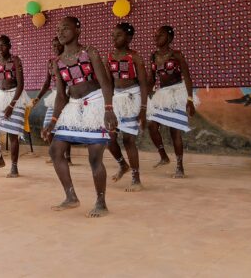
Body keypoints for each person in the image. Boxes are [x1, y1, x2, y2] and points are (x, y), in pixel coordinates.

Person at [41, 16, 117, 218]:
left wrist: (108, 109)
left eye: (65, 28)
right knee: (55, 151)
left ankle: (101, 202)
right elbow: (60, 95)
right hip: (73, 107)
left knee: (94, 158)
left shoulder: (89, 52)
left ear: (78, 30)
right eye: (58, 29)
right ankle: (71, 196)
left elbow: (105, 83)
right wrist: (53, 121)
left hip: (95, 104)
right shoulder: (57, 62)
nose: (60, 32)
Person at [147, 26, 197, 178]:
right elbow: (151, 78)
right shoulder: (153, 56)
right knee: (151, 125)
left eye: (160, 35)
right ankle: (163, 156)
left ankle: (180, 167)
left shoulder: (177, 55)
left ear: (169, 38)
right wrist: (146, 97)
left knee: (174, 130)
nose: (156, 37)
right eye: (155, 35)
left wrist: (190, 99)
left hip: (177, 93)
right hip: (162, 94)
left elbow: (187, 77)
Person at [105, 23, 148, 192]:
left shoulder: (135, 57)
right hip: (116, 99)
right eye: (113, 35)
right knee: (109, 139)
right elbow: (108, 84)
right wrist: (107, 105)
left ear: (129, 38)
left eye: (119, 35)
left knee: (128, 140)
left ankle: (136, 179)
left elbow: (144, 84)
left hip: (132, 98)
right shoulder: (108, 57)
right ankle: (123, 165)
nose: (114, 38)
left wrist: (143, 109)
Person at [0, 35, 29, 178]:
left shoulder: (15, 60)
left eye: (2, 45)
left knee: (12, 134)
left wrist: (11, 105)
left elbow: (21, 85)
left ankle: (14, 168)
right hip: (1, 96)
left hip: (16, 97)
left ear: (9, 46)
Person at [32, 37, 72, 165]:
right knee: (48, 127)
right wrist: (37, 97)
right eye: (53, 46)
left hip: (68, 95)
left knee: (65, 127)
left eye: (58, 45)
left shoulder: (69, 60)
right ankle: (55, 154)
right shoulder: (50, 62)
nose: (55, 48)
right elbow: (46, 83)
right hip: (54, 96)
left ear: (64, 45)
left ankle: (67, 157)